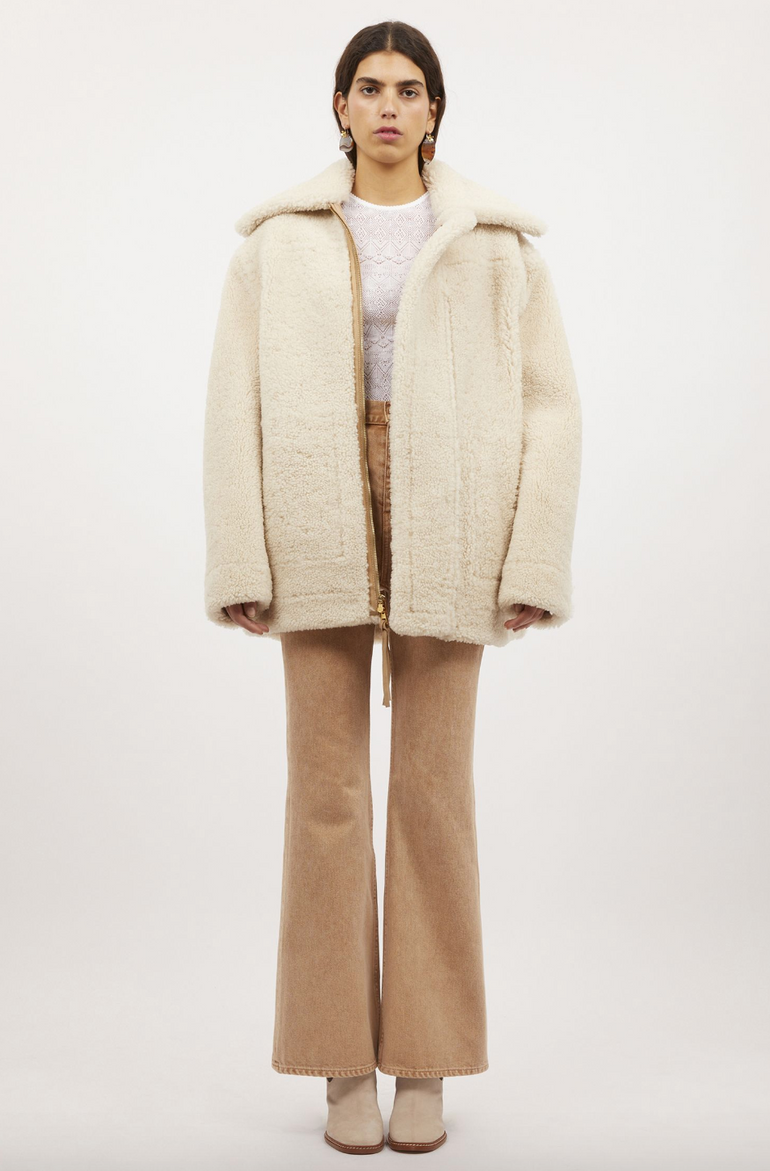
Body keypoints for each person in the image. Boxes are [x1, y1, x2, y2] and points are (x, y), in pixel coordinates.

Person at [202, 20, 582, 1156]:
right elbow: (233, 403)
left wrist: (531, 558)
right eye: (367, 88)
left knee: (432, 794)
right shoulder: (274, 244)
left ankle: (424, 1061)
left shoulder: (496, 247)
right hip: (314, 509)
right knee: (324, 797)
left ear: (433, 111)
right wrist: (240, 557)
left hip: (451, 513)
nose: (386, 107)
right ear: (338, 105)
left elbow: (550, 406)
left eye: (408, 91)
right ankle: (337, 1064)